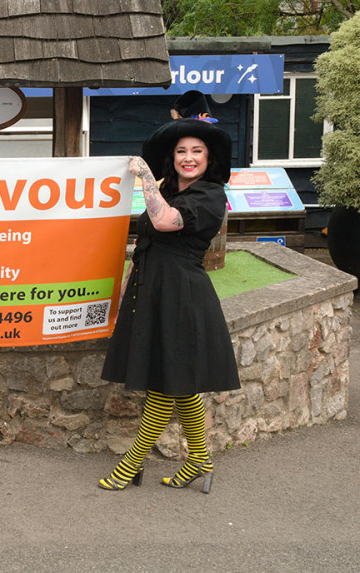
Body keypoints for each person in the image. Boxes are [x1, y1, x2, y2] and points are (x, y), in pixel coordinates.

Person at [98, 118, 239, 493]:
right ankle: (200, 461)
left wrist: (144, 174)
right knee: (180, 385)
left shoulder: (209, 195)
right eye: (181, 151)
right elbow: (148, 244)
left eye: (197, 152)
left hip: (181, 298)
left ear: (209, 159)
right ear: (172, 157)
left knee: (163, 385)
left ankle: (131, 464)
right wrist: (130, 284)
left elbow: (163, 223)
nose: (188, 158)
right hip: (153, 293)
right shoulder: (171, 193)